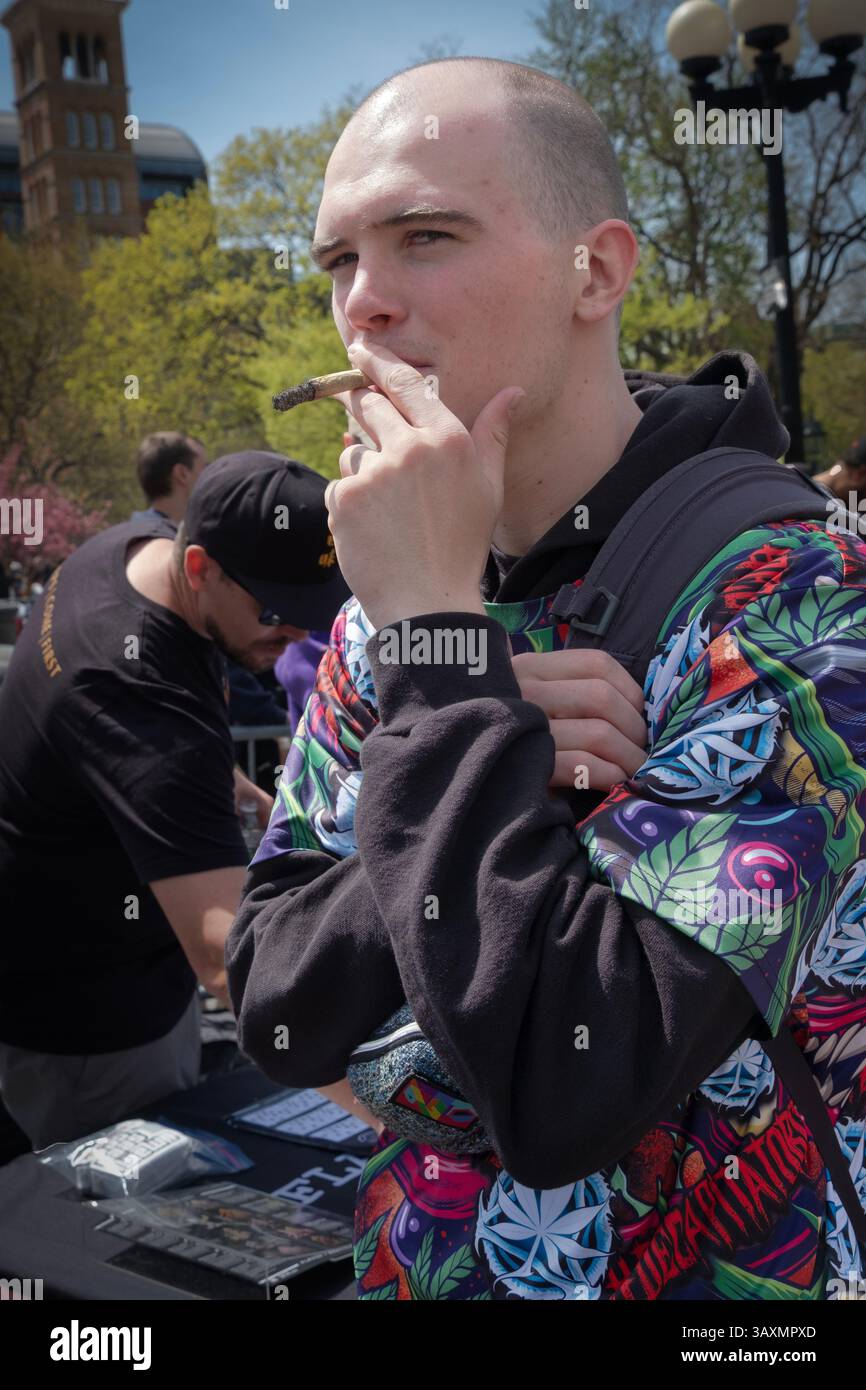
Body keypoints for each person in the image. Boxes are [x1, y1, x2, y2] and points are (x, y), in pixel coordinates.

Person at [226, 59, 866, 1300]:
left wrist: (435, 677)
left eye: (423, 236)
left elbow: (564, 1077)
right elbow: (275, 1004)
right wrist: (478, 710)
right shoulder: (400, 598)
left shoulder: (800, 593)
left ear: (598, 268)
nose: (361, 305)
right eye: (336, 263)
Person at [0, 452, 348, 1149]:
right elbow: (224, 958)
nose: (297, 639)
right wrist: (383, 1105)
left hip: (92, 961)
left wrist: (226, 785)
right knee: (115, 1235)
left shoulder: (125, 557)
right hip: (91, 1026)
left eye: (314, 610)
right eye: (278, 612)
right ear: (197, 567)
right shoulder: (133, 695)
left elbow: (117, 756)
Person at [130, 430, 208, 526]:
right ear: (182, 474)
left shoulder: (136, 532)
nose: (211, 474)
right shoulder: (156, 537)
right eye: (206, 466)